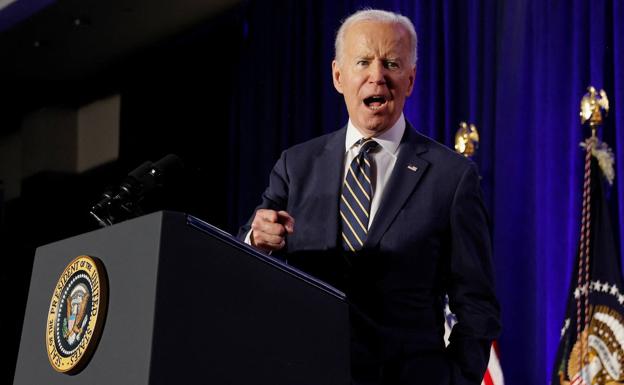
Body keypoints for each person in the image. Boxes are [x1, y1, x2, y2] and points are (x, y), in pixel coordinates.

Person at [239, 9, 501, 385]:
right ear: (338, 75)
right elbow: (244, 257)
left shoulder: (452, 177)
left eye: (391, 63)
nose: (377, 76)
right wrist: (255, 241)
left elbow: (477, 305)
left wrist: (453, 380)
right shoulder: (296, 166)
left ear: (410, 80)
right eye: (363, 61)